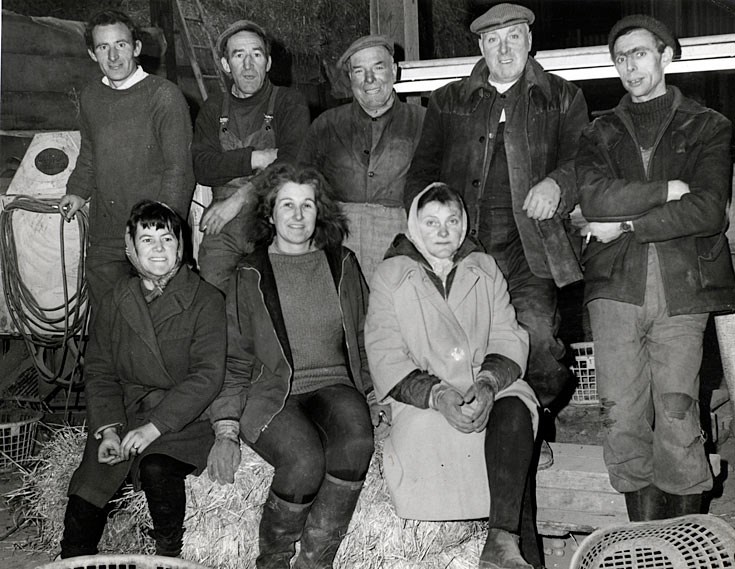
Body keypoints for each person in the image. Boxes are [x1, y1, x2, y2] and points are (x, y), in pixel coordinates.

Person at [577, 15, 735, 521]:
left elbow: (709, 209)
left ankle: (684, 536)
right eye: (620, 57)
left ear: (666, 56)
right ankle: (642, 540)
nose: (629, 65)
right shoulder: (599, 131)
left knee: (677, 412)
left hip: (683, 285)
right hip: (614, 289)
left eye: (640, 53)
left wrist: (624, 224)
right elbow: (594, 197)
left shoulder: (709, 125)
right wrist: (668, 189)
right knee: (621, 416)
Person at [406, 3, 588, 440]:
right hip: (467, 247)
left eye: (512, 37)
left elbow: (584, 160)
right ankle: (471, 434)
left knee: (538, 340)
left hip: (532, 248)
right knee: (465, 344)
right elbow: (420, 172)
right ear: (480, 46)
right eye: (492, 39)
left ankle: (534, 422)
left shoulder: (563, 97)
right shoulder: (449, 101)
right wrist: (430, 230)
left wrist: (558, 184)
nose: (503, 48)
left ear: (529, 40)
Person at [206, 163, 387, 569]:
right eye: (287, 205)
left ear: (319, 212)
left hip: (334, 384)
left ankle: (314, 563)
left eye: (307, 205)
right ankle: (272, 562)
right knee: (304, 462)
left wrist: (375, 393)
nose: (298, 215)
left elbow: (364, 337)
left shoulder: (343, 264)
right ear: (269, 214)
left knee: (357, 443)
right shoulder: (249, 274)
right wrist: (226, 429)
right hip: (272, 394)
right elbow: (234, 358)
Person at [365, 183, 540, 569]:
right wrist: (438, 395)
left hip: (485, 383)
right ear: (413, 227)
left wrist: (490, 382)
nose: (443, 232)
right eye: (431, 223)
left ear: (464, 226)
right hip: (423, 398)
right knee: (444, 443)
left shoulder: (485, 267)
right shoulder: (390, 276)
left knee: (513, 415)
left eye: (452, 221)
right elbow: (384, 353)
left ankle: (501, 542)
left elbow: (507, 335)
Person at [60, 200, 226, 558]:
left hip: (183, 419)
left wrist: (153, 428)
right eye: (147, 239)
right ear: (130, 248)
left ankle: (168, 557)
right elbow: (101, 370)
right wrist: (106, 431)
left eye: (167, 239)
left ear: (181, 246)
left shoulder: (206, 299)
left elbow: (207, 376)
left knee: (157, 468)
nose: (158, 249)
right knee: (88, 492)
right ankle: (72, 559)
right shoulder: (116, 300)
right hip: (124, 414)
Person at [59, 9, 195, 312]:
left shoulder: (164, 96)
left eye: (121, 45)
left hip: (152, 234)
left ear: (136, 47)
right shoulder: (91, 96)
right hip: (106, 234)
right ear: (93, 55)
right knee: (108, 320)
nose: (113, 56)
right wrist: (77, 191)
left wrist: (162, 233)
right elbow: (90, 152)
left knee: (157, 320)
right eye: (103, 47)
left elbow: (179, 169)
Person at [192, 20, 311, 292]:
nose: (248, 65)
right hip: (223, 225)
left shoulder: (288, 102)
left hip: (274, 217)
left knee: (279, 300)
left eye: (256, 55)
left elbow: (293, 161)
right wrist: (254, 159)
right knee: (214, 295)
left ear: (267, 63)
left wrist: (240, 197)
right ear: (225, 65)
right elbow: (202, 167)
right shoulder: (213, 109)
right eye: (238, 55)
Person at [298, 35, 425, 282]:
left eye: (378, 67)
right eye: (359, 71)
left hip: (405, 242)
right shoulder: (326, 124)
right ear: (350, 79)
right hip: (338, 241)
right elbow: (301, 185)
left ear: (394, 71)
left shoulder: (425, 122)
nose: (369, 80)